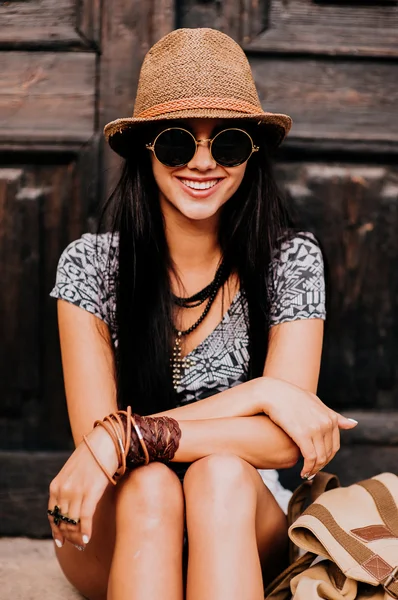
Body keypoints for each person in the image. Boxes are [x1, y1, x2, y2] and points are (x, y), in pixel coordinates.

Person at [47, 27, 358, 600]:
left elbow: (286, 445)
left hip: (237, 515)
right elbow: (96, 447)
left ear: (253, 153)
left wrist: (130, 435)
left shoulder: (290, 259)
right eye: (176, 142)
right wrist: (261, 394)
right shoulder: (91, 266)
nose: (203, 162)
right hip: (121, 519)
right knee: (151, 488)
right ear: (146, 148)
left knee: (219, 475)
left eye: (229, 143)